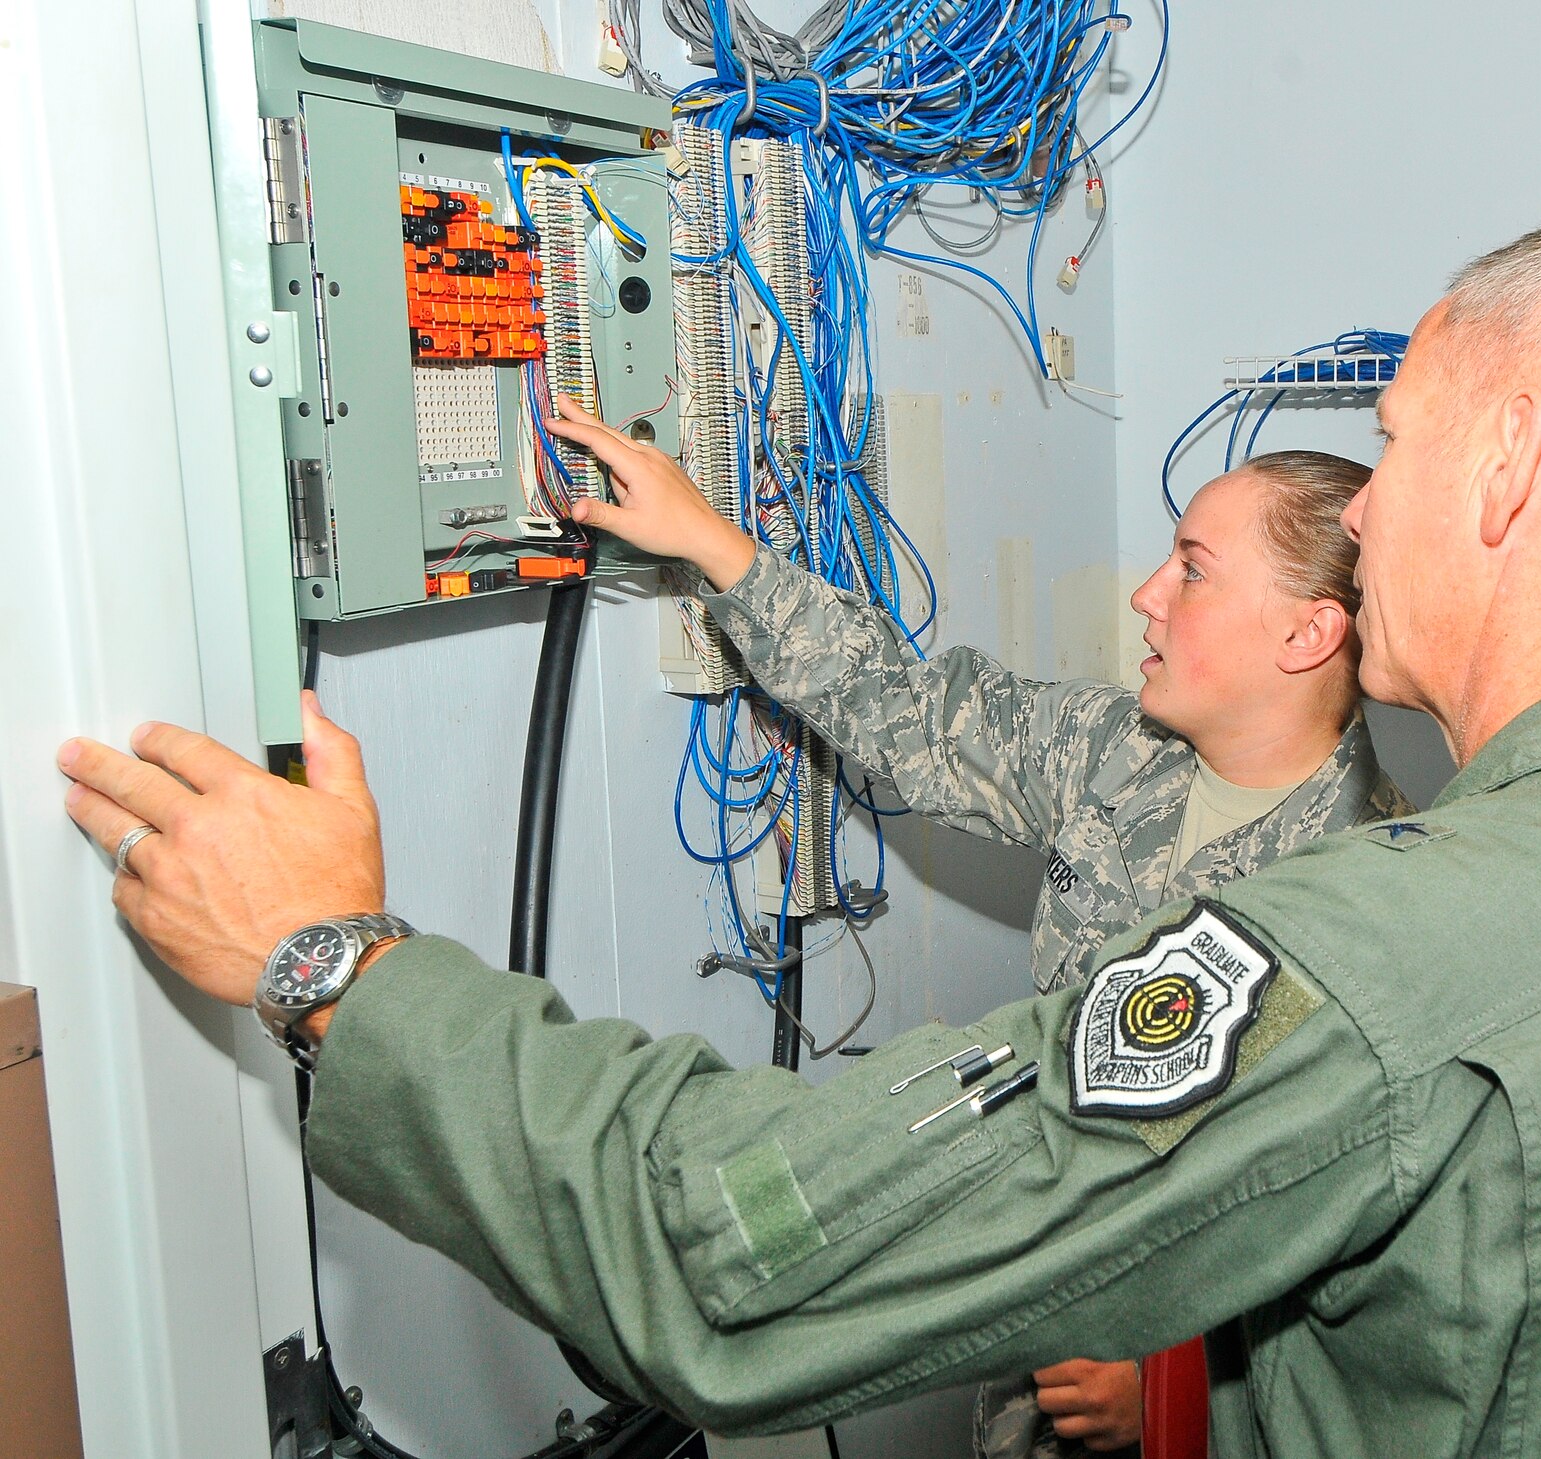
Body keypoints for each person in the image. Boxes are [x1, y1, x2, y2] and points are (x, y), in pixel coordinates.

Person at [59, 205, 1541, 1457]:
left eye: (1395, 438)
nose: (1373, 500)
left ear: (1512, 463)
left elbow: (739, 1241)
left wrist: (334, 967)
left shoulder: (1390, 945)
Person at [541, 411, 1411, 1458]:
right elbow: (898, 708)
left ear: (1305, 633)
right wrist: (708, 539)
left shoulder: (1373, 892)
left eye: (1191, 570)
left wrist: (1189, 1398)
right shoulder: (1117, 750)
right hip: (1029, 1345)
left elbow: (1357, 1258)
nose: (1146, 594)